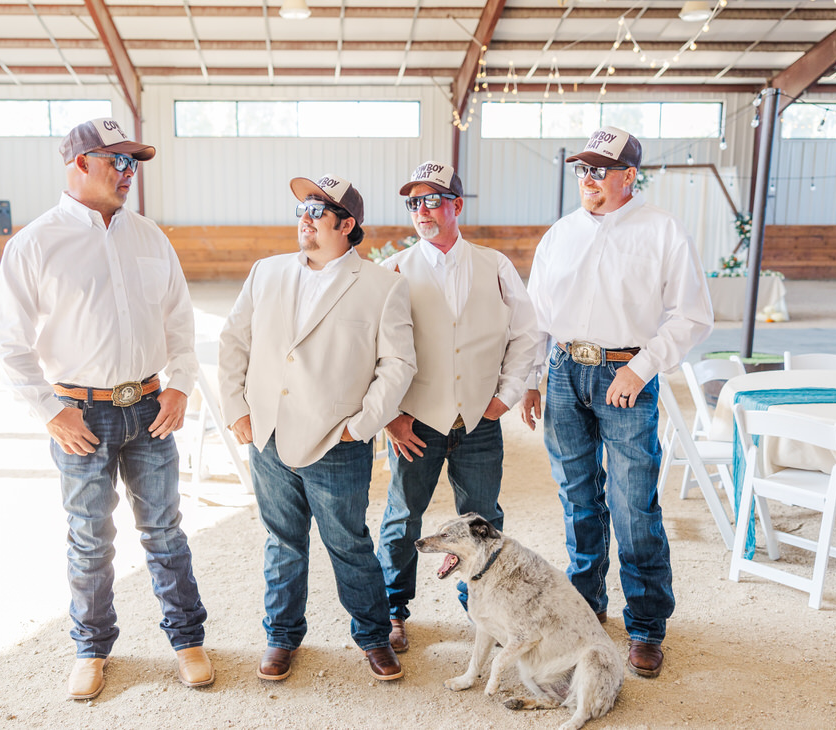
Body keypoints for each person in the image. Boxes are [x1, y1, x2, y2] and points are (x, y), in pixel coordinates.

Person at [0, 118, 213, 700]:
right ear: (78, 163)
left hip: (149, 406)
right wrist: (49, 410)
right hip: (80, 417)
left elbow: (180, 321)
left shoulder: (149, 237)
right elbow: (8, 344)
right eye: (116, 161)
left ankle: (188, 639)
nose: (127, 173)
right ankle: (91, 649)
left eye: (133, 163)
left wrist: (180, 384)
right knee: (90, 535)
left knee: (164, 530)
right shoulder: (35, 244)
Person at [519, 126, 713, 679]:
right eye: (583, 170)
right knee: (578, 497)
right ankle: (586, 607)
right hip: (562, 372)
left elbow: (693, 315)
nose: (590, 180)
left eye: (601, 171)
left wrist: (641, 366)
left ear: (630, 175)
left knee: (633, 504)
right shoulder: (560, 233)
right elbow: (536, 315)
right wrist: (533, 378)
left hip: (627, 371)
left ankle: (647, 624)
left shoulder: (662, 232)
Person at [218, 174, 416, 682]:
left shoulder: (382, 285)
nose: (303, 219)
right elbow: (234, 341)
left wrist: (361, 427)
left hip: (337, 441)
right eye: (301, 209)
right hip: (268, 435)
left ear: (347, 224)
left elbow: (398, 365)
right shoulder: (266, 272)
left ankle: (373, 636)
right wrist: (238, 409)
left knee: (348, 543)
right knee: (282, 541)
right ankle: (281, 637)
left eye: (316, 211)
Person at [375, 161, 540, 653]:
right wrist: (390, 414)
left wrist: (505, 396)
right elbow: (373, 348)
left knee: (484, 519)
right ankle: (392, 611)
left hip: (479, 422)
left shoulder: (494, 265)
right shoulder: (394, 270)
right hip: (415, 423)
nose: (422, 210)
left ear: (456, 206)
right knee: (403, 517)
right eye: (414, 202)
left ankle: (487, 612)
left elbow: (526, 334)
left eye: (432, 200)